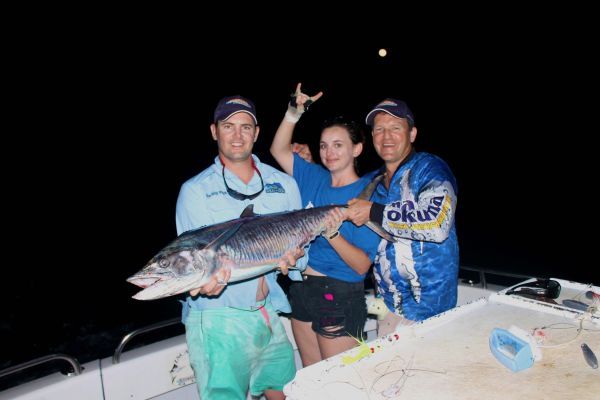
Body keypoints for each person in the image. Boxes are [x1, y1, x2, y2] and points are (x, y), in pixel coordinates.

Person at [175, 95, 308, 400]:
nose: (237, 135)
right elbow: (197, 264)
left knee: (283, 389)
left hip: (267, 311)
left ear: (256, 133)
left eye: (245, 127)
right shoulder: (195, 191)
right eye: (228, 126)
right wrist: (200, 282)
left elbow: (303, 251)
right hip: (217, 318)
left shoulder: (283, 184)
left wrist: (296, 258)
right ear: (214, 131)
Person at [270, 83, 381, 367]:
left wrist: (332, 235)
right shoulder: (312, 176)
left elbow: (361, 267)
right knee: (312, 377)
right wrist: (293, 114)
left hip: (339, 293)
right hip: (301, 287)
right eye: (323, 145)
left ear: (357, 148)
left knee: (339, 383)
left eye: (338, 145)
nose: (329, 152)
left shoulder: (367, 195)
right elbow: (278, 149)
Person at [346, 98, 459, 337]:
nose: (386, 136)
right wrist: (309, 162)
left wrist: (374, 212)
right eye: (379, 129)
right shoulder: (372, 181)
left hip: (429, 312)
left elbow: (438, 224)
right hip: (385, 307)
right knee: (386, 372)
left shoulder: (430, 168)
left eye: (395, 128)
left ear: (412, 134)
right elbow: (340, 193)